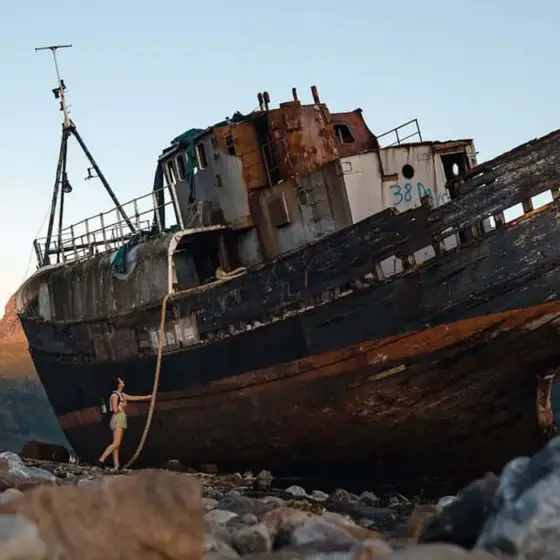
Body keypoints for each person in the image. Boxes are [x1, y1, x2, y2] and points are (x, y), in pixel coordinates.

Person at [97, 376, 152, 470]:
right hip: (118, 418)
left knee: (116, 443)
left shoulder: (121, 395)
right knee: (116, 443)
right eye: (120, 381)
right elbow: (114, 409)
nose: (123, 381)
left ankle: (116, 465)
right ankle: (101, 460)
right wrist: (121, 406)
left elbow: (134, 398)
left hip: (120, 418)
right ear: (118, 385)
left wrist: (147, 397)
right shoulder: (115, 396)